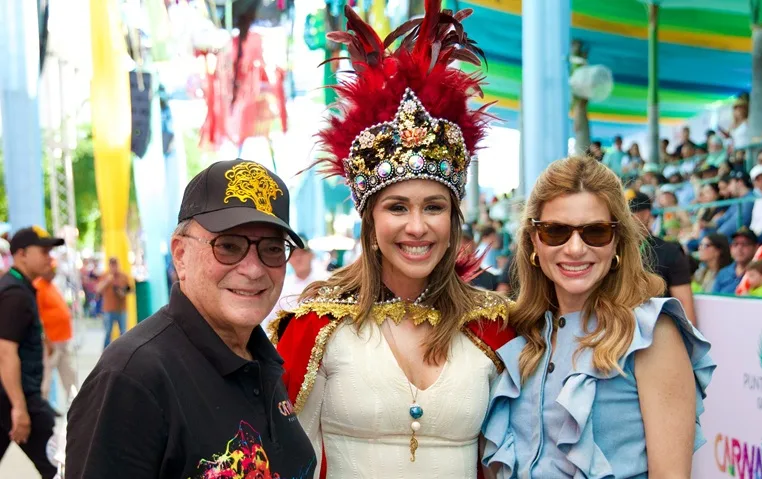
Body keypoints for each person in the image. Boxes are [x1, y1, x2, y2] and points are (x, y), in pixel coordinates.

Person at [270, 4, 514, 477]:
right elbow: (285, 460)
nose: (417, 227)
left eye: (434, 207)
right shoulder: (315, 326)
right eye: (397, 207)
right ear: (370, 221)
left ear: (454, 220)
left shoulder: (494, 328)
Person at [67, 159, 316, 478]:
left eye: (271, 249)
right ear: (181, 255)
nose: (254, 269)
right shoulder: (133, 379)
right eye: (229, 246)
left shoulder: (262, 358)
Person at [482, 156, 715, 478]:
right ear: (534, 239)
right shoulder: (522, 334)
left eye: (596, 232)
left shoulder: (651, 334)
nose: (575, 248)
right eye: (555, 232)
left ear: (617, 240)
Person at [0, 226, 65, 478]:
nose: (50, 258)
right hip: (17, 398)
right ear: (22, 254)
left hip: (10, 397)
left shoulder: (20, 287)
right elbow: (5, 352)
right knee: (59, 466)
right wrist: (19, 407)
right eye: (44, 251)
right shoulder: (15, 294)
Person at [628, 191, 697, 324]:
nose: (622, 218)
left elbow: (684, 304)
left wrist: (689, 334)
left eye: (630, 213)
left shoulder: (669, 252)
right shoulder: (610, 251)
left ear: (645, 215)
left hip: (658, 328)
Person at [262, 234, 329, 331]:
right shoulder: (282, 285)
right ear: (289, 260)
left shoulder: (326, 281)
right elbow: (271, 321)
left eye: (302, 253)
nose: (298, 258)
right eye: (294, 255)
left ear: (311, 255)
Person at [33, 260, 77, 402]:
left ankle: (74, 404)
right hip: (51, 342)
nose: (53, 272)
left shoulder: (51, 286)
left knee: (69, 376)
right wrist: (46, 340)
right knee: (46, 378)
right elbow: (38, 317)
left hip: (63, 340)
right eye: (50, 269)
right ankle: (42, 405)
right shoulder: (38, 287)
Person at [97, 257, 132, 348]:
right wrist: (107, 281)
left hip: (121, 309)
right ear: (109, 265)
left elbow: (130, 289)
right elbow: (98, 289)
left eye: (115, 265)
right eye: (112, 265)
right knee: (108, 332)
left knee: (123, 332)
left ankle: (123, 350)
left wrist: (122, 293)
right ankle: (106, 351)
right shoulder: (105, 275)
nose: (114, 267)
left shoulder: (124, 276)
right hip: (108, 309)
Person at [712, 227, 758, 294]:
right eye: (735, 244)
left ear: (756, 247)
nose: (739, 248)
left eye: (744, 244)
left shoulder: (761, 273)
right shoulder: (723, 273)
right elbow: (714, 297)